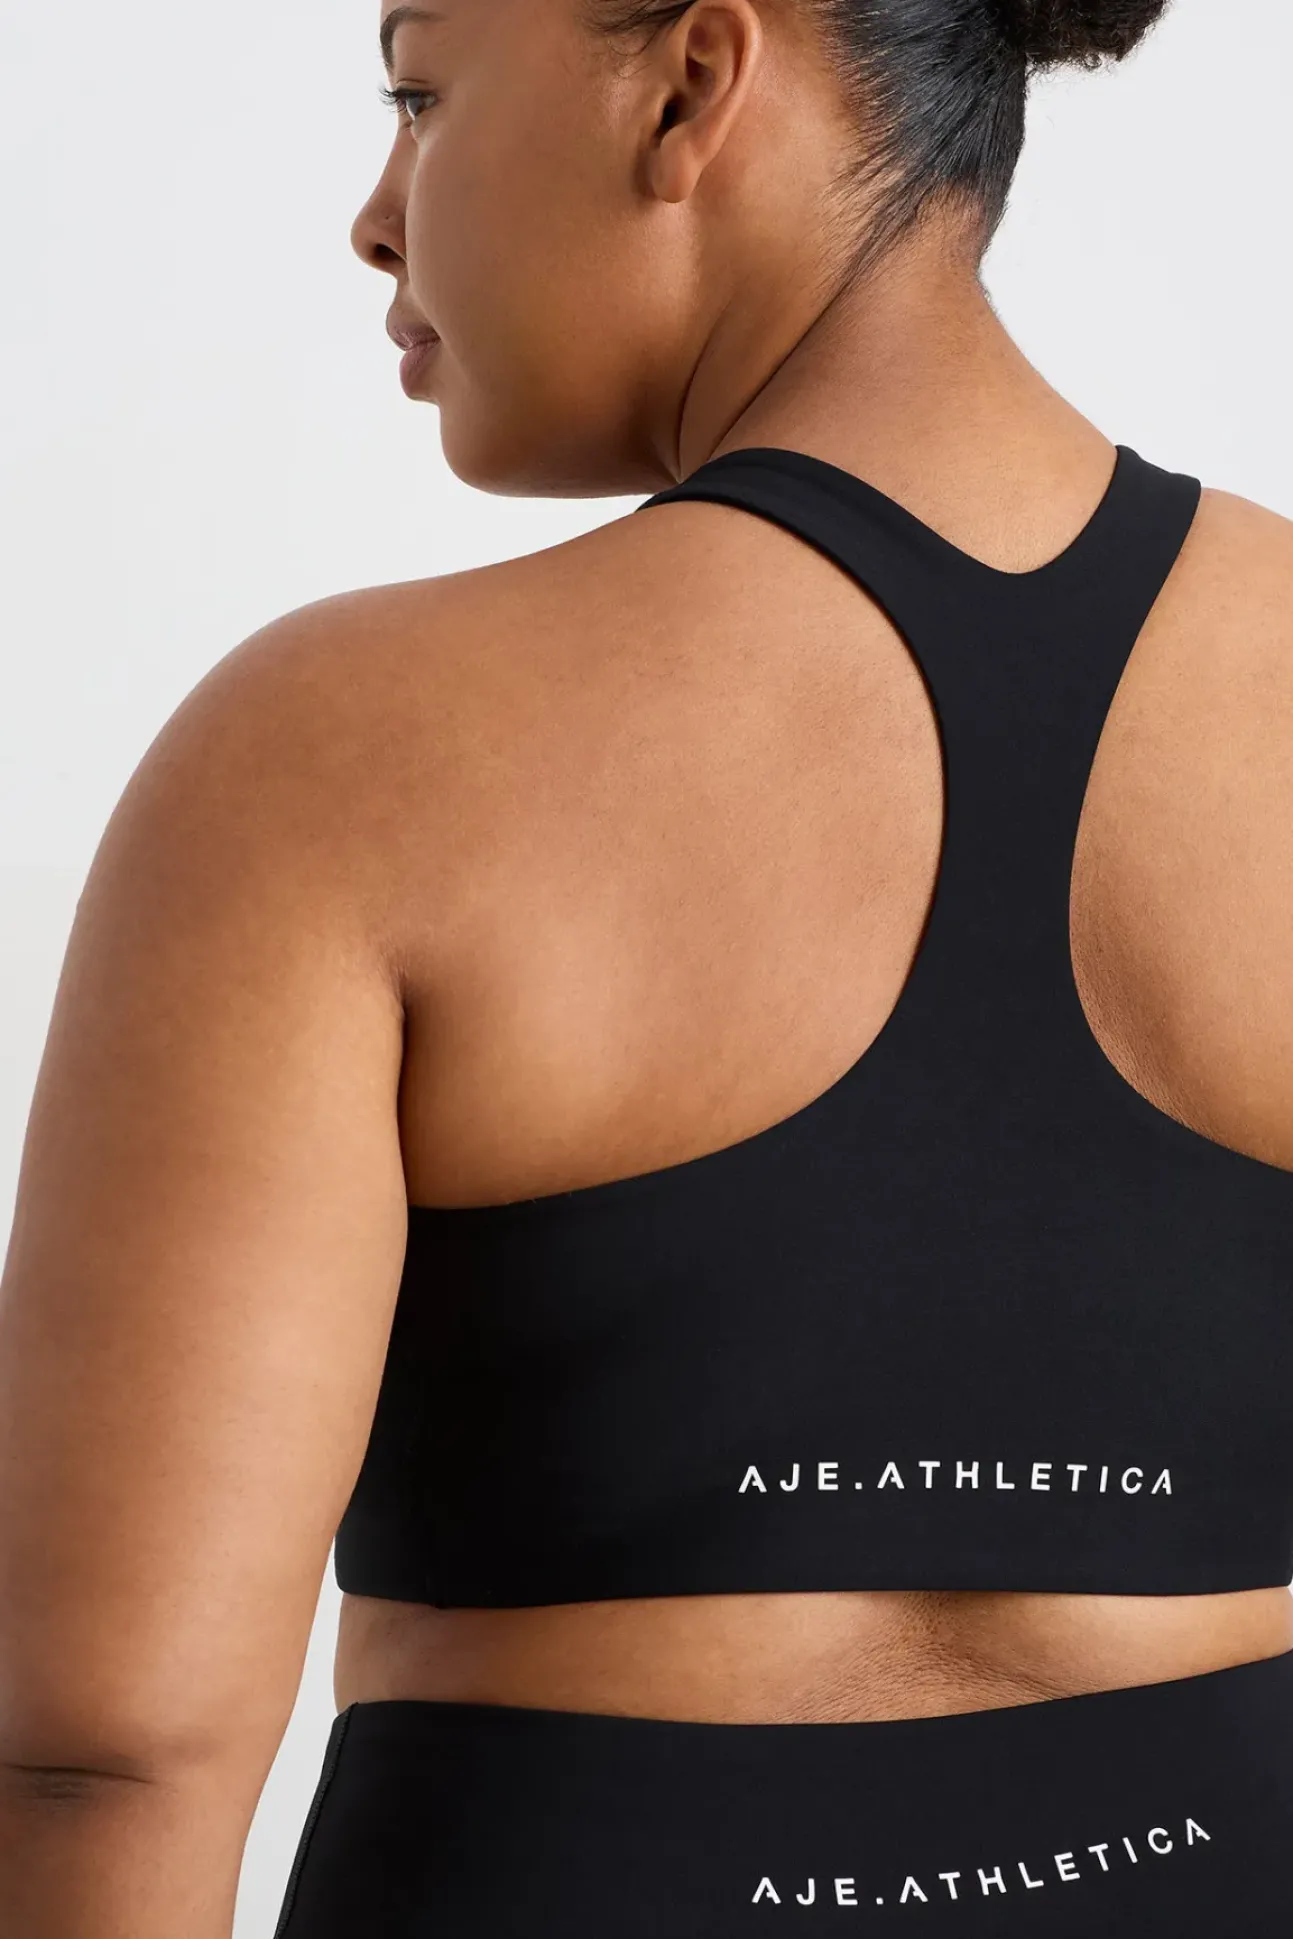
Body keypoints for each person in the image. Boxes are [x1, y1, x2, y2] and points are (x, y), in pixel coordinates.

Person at [2, 0, 1292, 1933]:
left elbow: (110, 1753)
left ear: (692, 85)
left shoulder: (344, 754)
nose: (377, 212)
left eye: (420, 93)